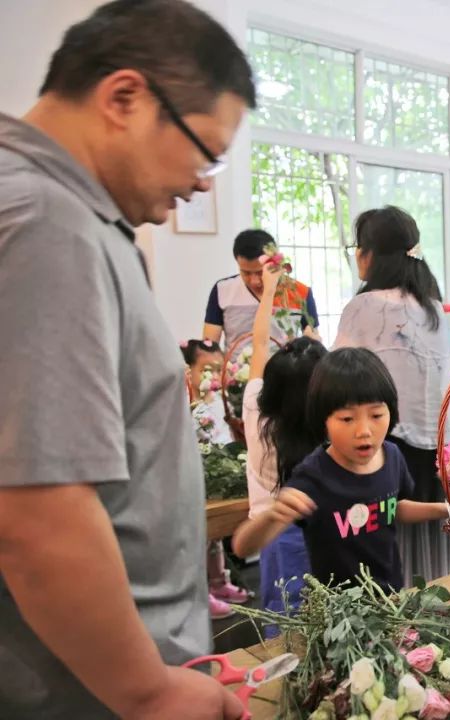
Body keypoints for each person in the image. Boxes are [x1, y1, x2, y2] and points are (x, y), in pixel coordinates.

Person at [0, 1, 254, 718]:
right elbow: (39, 510)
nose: (205, 181)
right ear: (124, 98)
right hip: (80, 690)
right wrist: (147, 691)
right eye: (205, 150)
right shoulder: (45, 224)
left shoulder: (70, 219)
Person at [232, 348, 450, 592]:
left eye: (376, 415)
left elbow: (392, 509)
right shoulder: (314, 474)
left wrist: (446, 509)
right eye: (347, 419)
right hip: (338, 613)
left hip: (389, 598)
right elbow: (242, 547)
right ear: (322, 419)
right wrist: (273, 515)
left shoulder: (392, 456)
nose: (364, 430)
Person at [334, 205, 450, 585]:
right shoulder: (434, 307)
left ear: (371, 254)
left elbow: (338, 380)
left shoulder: (363, 307)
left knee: (387, 565)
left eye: (358, 247)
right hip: (439, 453)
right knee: (435, 566)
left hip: (384, 452)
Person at [244, 262, 323, 627]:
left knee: (284, 623)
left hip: (272, 536)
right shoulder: (327, 425)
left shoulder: (256, 407)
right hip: (323, 531)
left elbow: (259, 342)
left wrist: (269, 290)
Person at [180, 339, 252, 620]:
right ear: (188, 371)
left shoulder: (219, 401)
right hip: (195, 477)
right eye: (206, 369)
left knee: (214, 538)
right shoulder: (186, 402)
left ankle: (219, 582)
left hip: (215, 476)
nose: (213, 375)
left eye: (220, 369)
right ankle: (200, 594)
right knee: (199, 536)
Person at [203, 228, 320, 349]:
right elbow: (209, 346)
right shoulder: (223, 290)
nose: (254, 281)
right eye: (246, 273)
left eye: (260, 272)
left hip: (283, 366)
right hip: (235, 367)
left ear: (275, 263)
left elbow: (314, 340)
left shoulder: (300, 292)